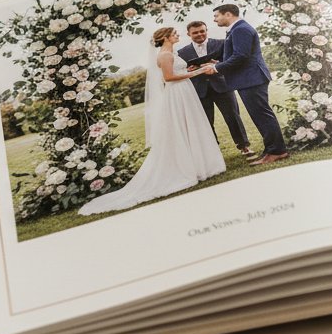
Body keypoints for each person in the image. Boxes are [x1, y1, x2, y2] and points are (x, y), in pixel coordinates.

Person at [79, 27, 226, 215]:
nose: (177, 36)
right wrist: (198, 73)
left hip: (184, 91)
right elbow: (169, 77)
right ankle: (191, 167)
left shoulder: (170, 52)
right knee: (183, 127)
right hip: (178, 93)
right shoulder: (164, 54)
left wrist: (190, 69)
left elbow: (176, 70)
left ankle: (201, 164)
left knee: (192, 127)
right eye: (174, 34)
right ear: (165, 37)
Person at [202, 4, 290, 165]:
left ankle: (277, 151)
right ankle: (271, 149)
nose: (214, 19)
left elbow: (241, 56)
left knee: (262, 115)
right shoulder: (237, 29)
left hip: (252, 79)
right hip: (249, 79)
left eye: (216, 16)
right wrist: (219, 62)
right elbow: (237, 55)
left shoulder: (240, 29)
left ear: (228, 14)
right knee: (260, 115)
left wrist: (216, 68)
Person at [179, 20, 253, 158]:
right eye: (195, 32)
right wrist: (188, 70)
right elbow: (179, 72)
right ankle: (214, 153)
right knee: (206, 122)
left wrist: (218, 64)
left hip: (223, 86)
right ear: (188, 34)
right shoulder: (182, 52)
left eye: (202, 31)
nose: (200, 34)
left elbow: (232, 61)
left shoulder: (221, 43)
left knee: (233, 117)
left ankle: (244, 147)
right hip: (199, 90)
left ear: (206, 30)